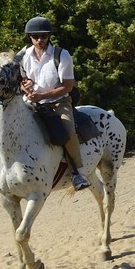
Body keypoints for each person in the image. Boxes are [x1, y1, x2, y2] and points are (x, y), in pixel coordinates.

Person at [19, 15, 88, 190]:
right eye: (36, 36)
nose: (40, 40)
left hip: (58, 102)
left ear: (49, 36)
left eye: (43, 36)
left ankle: (77, 173)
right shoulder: (24, 55)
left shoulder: (62, 55)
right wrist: (26, 86)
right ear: (30, 37)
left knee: (68, 131)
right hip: (31, 102)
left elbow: (67, 86)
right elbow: (23, 79)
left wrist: (42, 96)